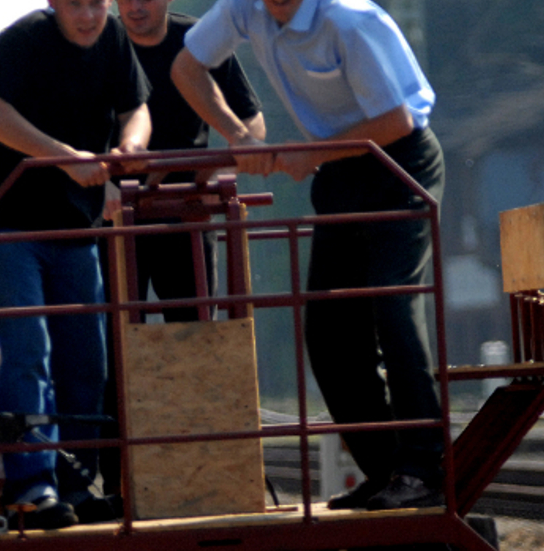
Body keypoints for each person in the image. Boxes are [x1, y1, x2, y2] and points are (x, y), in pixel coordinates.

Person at [172, 0, 446, 510]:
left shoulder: (350, 21)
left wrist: (310, 153)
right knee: (328, 331)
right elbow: (186, 67)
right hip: (342, 174)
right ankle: (387, 470)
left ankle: (425, 467)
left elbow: (395, 120)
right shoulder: (245, 9)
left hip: (398, 164)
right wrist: (236, 135)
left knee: (393, 305)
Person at [0, 0, 151, 529]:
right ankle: (30, 488)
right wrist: (63, 155)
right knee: (29, 349)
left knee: (87, 355)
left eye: (96, 3)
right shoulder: (23, 39)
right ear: (52, 4)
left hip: (72, 224)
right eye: (74, 4)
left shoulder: (112, 38)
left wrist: (131, 144)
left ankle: (75, 484)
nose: (87, 15)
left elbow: (136, 105)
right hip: (7, 221)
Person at [113, 0, 265, 323]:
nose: (135, 7)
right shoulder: (100, 45)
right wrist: (99, 194)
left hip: (188, 211)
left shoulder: (197, 41)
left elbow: (252, 123)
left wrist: (217, 177)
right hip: (115, 216)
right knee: (113, 344)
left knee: (196, 337)